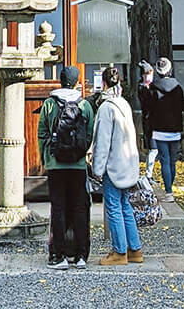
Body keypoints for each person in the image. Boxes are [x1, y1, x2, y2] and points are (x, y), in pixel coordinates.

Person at [37, 63, 95, 268]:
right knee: (80, 208)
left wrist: (46, 158)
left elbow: (42, 133)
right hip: (78, 164)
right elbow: (89, 134)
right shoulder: (84, 105)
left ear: (60, 81)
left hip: (56, 164)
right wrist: (81, 153)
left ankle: (58, 255)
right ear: (77, 82)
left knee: (58, 208)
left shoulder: (49, 104)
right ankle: (81, 255)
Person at [90, 65, 143, 266]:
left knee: (113, 207)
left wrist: (97, 169)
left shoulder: (106, 108)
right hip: (127, 162)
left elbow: (102, 142)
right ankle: (134, 249)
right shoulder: (124, 104)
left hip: (113, 165)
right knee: (125, 205)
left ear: (103, 84)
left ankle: (119, 251)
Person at [147, 56, 184, 197]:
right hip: (175, 128)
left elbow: (149, 107)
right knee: (172, 161)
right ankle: (170, 188)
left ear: (158, 71)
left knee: (165, 160)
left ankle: (168, 191)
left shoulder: (153, 88)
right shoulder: (178, 88)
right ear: (170, 70)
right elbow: (182, 106)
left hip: (159, 129)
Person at [137, 60, 158, 183]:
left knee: (154, 149)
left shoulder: (151, 87)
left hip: (154, 122)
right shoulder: (143, 89)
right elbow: (148, 104)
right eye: (148, 74)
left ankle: (150, 174)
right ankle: (148, 175)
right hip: (150, 123)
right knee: (153, 149)